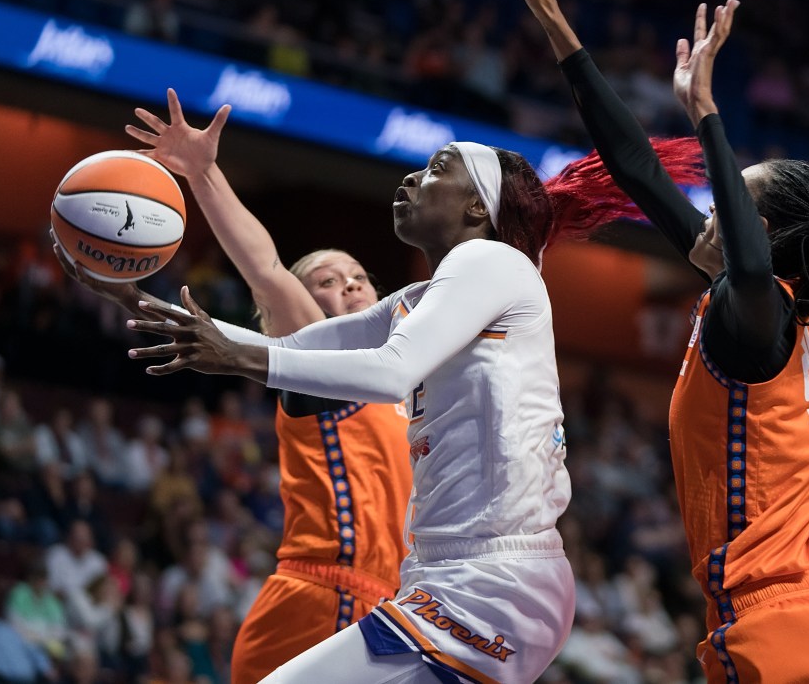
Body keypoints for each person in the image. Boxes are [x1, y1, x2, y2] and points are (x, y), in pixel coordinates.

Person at [119, 125, 705, 681]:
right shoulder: (419, 301)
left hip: (491, 579)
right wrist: (137, 296)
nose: (410, 178)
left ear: (478, 209)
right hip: (445, 575)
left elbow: (388, 370)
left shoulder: (493, 261)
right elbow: (290, 345)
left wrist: (243, 358)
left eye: (436, 169)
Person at [498, 0, 809, 683]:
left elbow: (747, 265)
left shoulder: (759, 313)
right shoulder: (747, 303)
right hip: (791, 621)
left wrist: (710, 113)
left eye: (732, 206)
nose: (711, 216)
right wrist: (557, 25)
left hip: (794, 630)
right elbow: (640, 170)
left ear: (768, 236)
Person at [56, 89, 413, 683]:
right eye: (327, 280)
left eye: (360, 277)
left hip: (383, 606)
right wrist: (203, 174)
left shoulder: (405, 389)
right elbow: (268, 271)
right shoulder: (324, 367)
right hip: (327, 599)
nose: (350, 286)